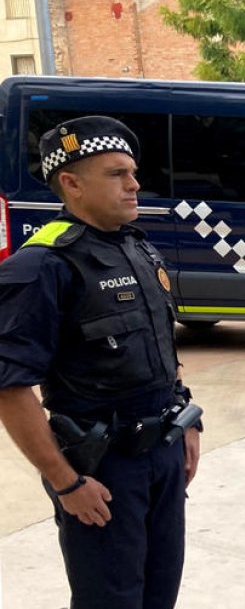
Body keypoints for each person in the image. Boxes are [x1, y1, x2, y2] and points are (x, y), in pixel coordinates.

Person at [0, 116, 202, 609]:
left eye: (132, 172)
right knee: (110, 601)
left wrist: (188, 420)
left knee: (160, 592)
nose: (134, 185)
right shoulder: (44, 265)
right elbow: (9, 387)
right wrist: (65, 482)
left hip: (163, 454)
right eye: (116, 174)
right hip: (102, 469)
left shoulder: (135, 246)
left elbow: (162, 349)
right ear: (71, 183)